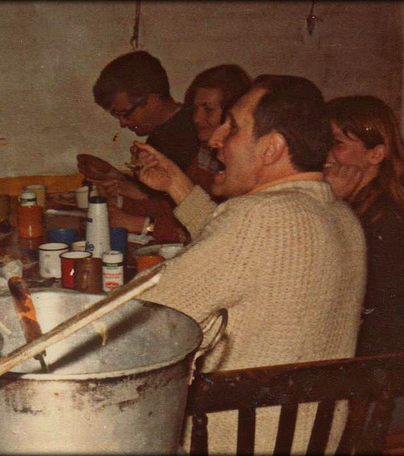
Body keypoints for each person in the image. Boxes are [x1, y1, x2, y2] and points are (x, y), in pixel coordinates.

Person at [131, 75, 366, 453]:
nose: (214, 140)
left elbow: (146, 316)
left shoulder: (256, 218)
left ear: (271, 149)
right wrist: (177, 184)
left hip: (234, 442)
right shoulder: (339, 215)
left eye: (233, 128)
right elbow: (244, 255)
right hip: (309, 441)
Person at [323, 94, 404, 451]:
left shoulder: (388, 220)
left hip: (394, 388)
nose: (326, 153)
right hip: (374, 377)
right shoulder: (364, 207)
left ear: (376, 154)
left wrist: (332, 205)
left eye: (338, 143)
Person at [97, 64, 251, 242]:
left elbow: (220, 232)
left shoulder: (244, 166)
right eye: (194, 109)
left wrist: (144, 225)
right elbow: (181, 207)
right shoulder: (205, 150)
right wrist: (122, 204)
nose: (196, 118)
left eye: (208, 110)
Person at [78, 50, 199, 183]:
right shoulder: (163, 131)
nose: (122, 123)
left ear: (153, 99)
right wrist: (113, 175)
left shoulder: (191, 132)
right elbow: (153, 194)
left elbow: (174, 200)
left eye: (126, 113)